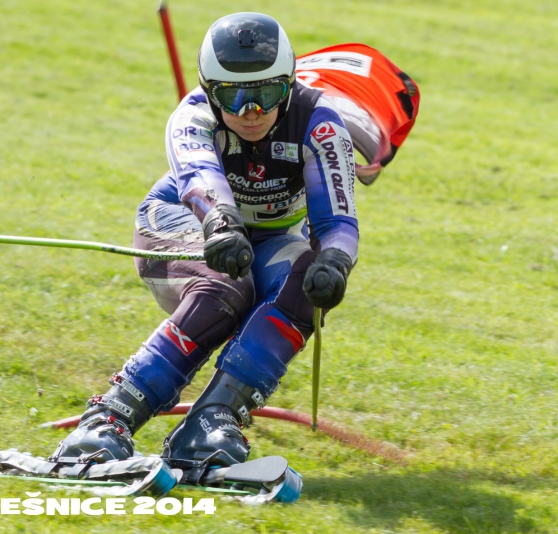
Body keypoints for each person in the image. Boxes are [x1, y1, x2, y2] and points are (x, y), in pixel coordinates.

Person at [51, 12, 358, 467]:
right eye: (234, 97)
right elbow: (201, 180)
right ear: (210, 92)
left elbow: (338, 223)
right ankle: (109, 416)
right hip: (177, 220)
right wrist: (221, 223)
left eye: (267, 95)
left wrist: (334, 263)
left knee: (307, 282)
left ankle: (212, 421)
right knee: (225, 288)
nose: (251, 113)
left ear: (289, 85)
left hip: (266, 240)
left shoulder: (320, 124)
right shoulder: (192, 116)